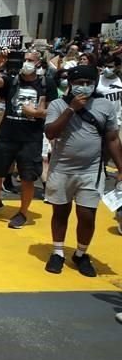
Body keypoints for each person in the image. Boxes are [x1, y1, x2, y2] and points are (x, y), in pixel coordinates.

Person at [42, 65, 122, 277]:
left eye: (88, 83)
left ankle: (80, 253)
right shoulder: (58, 105)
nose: (84, 87)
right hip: (62, 169)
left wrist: (121, 168)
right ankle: (58, 251)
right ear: (70, 85)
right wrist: (71, 109)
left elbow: (112, 138)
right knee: (60, 212)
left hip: (91, 171)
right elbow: (51, 132)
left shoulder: (105, 106)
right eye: (79, 84)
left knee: (87, 215)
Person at [0, 49, 56, 228]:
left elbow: (53, 110)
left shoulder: (46, 83)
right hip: (7, 136)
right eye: (23, 60)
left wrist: (36, 113)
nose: (25, 63)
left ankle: (23, 212)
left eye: (29, 60)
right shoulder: (11, 80)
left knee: (27, 177)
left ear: (37, 63)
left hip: (31, 139)